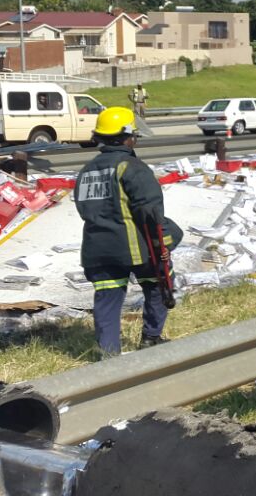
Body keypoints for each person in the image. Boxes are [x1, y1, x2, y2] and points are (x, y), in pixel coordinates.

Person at [74, 107, 181, 357]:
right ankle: (151, 338)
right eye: (134, 135)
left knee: (107, 300)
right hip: (135, 248)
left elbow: (85, 210)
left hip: (97, 250)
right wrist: (164, 242)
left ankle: (109, 357)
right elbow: (150, 212)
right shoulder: (131, 167)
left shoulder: (87, 171)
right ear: (127, 136)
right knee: (158, 285)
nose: (136, 139)